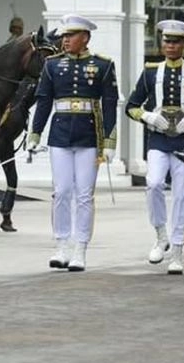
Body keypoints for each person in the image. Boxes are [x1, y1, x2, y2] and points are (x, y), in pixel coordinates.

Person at [28, 14, 118, 272]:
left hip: (89, 136)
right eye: (64, 36)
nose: (65, 40)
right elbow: (44, 101)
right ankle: (61, 245)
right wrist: (35, 133)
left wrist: (110, 141)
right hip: (60, 134)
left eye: (70, 36)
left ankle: (80, 247)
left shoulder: (103, 65)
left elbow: (110, 105)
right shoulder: (52, 65)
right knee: (62, 191)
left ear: (85, 38)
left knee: (84, 195)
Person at [126, 19, 184, 275]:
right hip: (157, 139)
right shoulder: (151, 72)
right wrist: (147, 117)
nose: (170, 45)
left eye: (176, 41)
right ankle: (160, 235)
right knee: (154, 183)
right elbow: (131, 106)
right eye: (167, 40)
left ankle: (177, 251)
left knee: (180, 197)